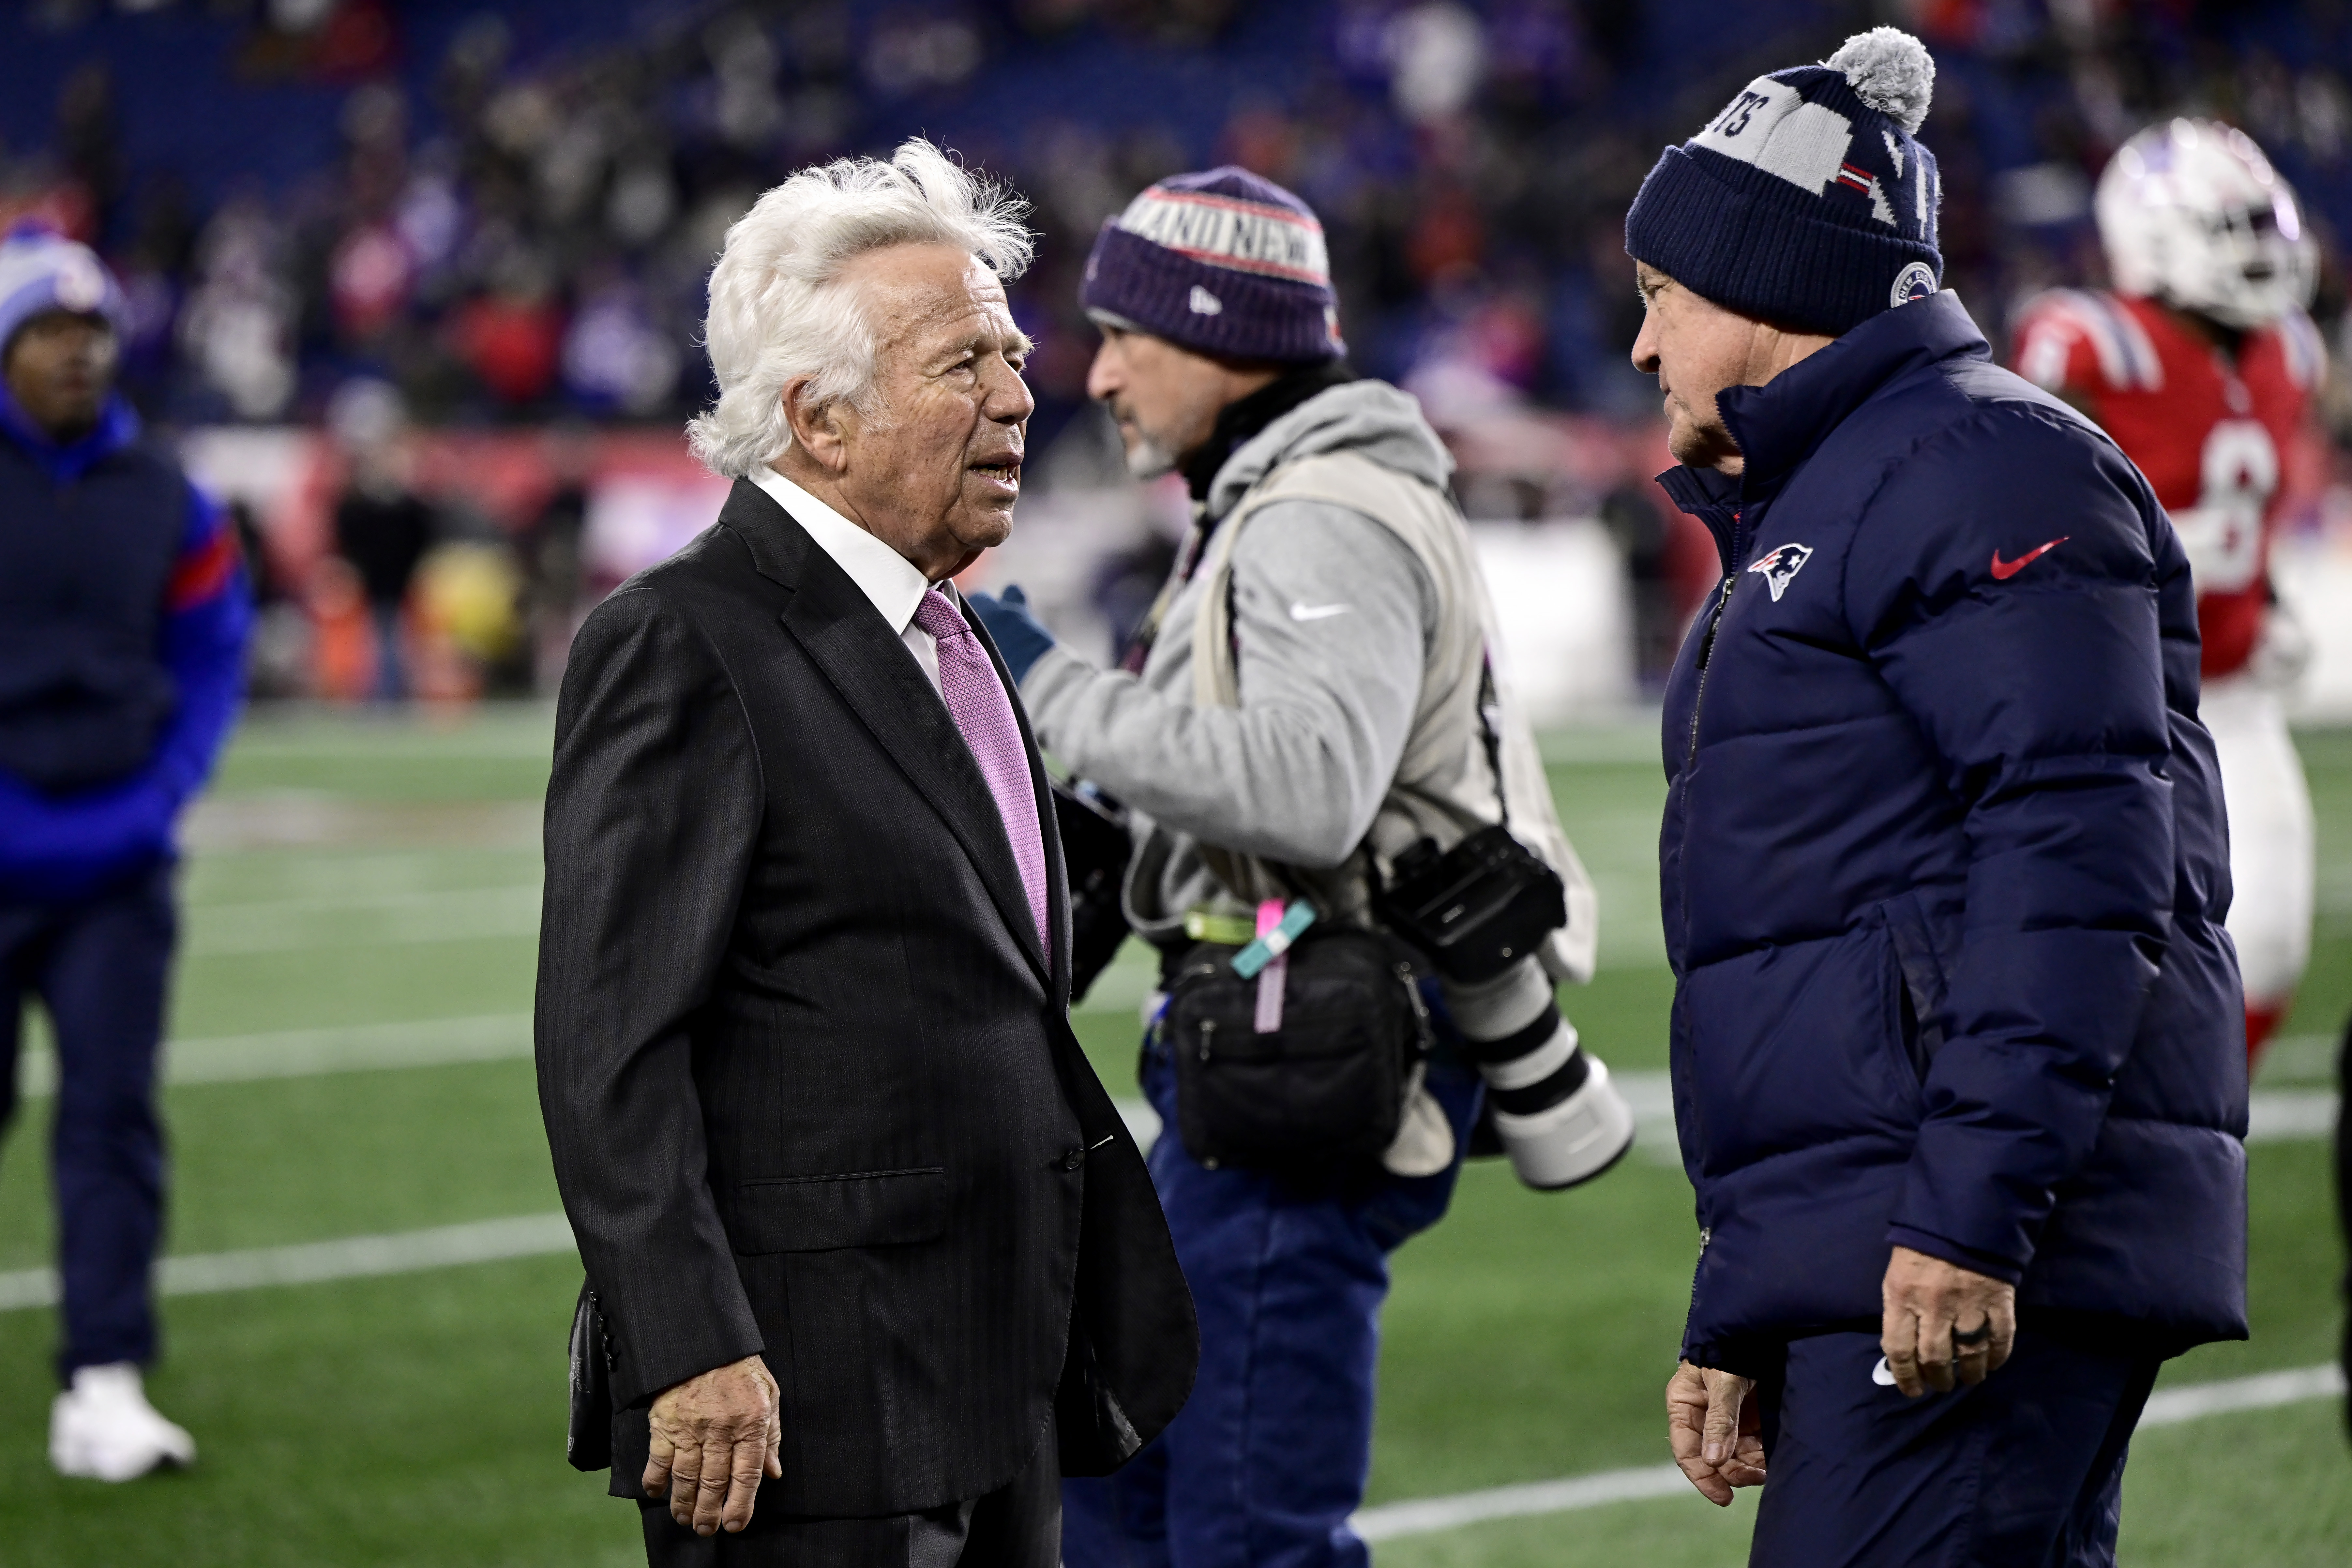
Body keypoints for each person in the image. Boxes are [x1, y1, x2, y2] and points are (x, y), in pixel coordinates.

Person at [1624, 30, 2245, 1566]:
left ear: (1769, 279)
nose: (1640, 349)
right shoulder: (1854, 492)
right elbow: (1821, 953)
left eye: (1661, 298)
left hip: (1977, 1252)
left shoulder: (1980, 463)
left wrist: (1971, 1212)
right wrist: (1753, 1300)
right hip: (1900, 1243)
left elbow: (2085, 861)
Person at [534, 141, 1195, 1568]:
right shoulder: (685, 638)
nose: (1023, 395)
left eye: (1013, 355)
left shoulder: (948, 633)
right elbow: (610, 1045)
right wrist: (689, 1342)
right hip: (801, 1402)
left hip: (992, 1369)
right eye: (968, 363)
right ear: (818, 421)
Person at [969, 166, 1633, 1568]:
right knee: (1126, 1488)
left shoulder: (1319, 507)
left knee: (1248, 1527)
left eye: (1130, 335)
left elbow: (1312, 789)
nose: (1100, 373)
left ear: (1221, 337)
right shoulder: (1278, 492)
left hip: (1324, 1049)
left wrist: (1052, 691)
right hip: (1283, 1032)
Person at [0, 224, 250, 1479]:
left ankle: (102, 1383)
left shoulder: (168, 491)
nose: (77, 353)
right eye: (49, 330)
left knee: (109, 1121)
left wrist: (160, 796)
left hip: (115, 863)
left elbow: (211, 654)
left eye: (93, 332)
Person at [2012, 120, 2320, 1066]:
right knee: (2087, 952)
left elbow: (2242, 512)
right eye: (2230, 227)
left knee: (2266, 944)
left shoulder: (2289, 352)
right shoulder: (2089, 341)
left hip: (2228, 687)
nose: (2257, 251)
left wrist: (2263, 597)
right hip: (2114, 689)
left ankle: (2195, 1132)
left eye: (2260, 225)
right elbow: (2033, 502)